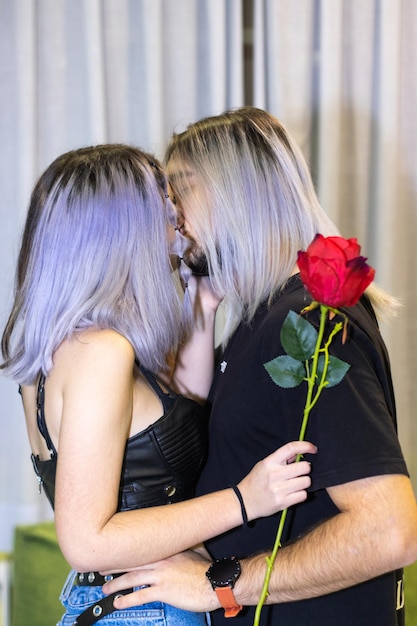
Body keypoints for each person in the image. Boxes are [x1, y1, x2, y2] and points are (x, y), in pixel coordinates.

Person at [102, 108, 417, 625]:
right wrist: (202, 298)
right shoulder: (261, 319)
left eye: (181, 191)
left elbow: (389, 530)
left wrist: (217, 584)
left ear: (236, 194)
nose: (171, 217)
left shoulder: (306, 322)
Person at [0, 143, 316, 626]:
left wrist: (202, 303)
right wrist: (244, 500)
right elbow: (86, 541)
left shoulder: (60, 350)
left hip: (128, 601)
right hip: (143, 608)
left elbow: (171, 416)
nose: (177, 230)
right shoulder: (102, 353)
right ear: (123, 234)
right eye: (165, 215)